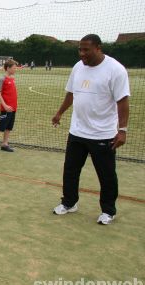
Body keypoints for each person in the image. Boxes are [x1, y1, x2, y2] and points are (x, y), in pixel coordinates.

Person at [51, 34, 130, 225]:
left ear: (98, 48)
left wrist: (123, 130)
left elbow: (123, 102)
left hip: (103, 134)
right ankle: (69, 203)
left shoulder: (115, 70)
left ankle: (108, 211)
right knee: (70, 170)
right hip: (77, 131)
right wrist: (60, 113)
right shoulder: (78, 67)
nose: (82, 53)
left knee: (106, 175)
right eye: (80, 49)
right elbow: (71, 93)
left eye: (86, 49)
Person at [0, 59, 19, 152]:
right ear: (8, 68)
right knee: (0, 127)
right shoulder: (2, 79)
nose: (15, 69)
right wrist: (5, 106)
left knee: (8, 127)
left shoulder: (12, 79)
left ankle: (4, 144)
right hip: (5, 108)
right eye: (14, 68)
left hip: (13, 108)